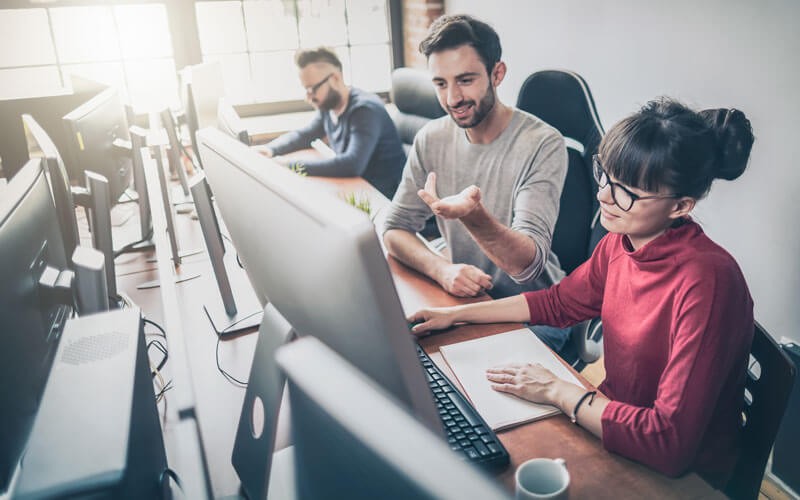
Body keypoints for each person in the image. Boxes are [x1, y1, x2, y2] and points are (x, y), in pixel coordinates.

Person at [408, 98, 755, 488]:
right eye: (605, 176)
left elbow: (668, 442)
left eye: (627, 192)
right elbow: (558, 303)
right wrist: (455, 315)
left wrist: (557, 391)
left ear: (681, 206)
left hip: (682, 473)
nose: (604, 196)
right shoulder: (620, 243)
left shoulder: (708, 282)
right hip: (611, 421)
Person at [382, 14, 568, 347]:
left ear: (497, 74)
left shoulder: (542, 143)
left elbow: (526, 267)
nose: (452, 98)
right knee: (403, 361)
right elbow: (394, 228)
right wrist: (442, 270)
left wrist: (472, 215)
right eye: (440, 83)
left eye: (465, 80)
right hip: (465, 303)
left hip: (532, 312)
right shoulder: (431, 138)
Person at [259, 47, 406, 199]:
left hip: (385, 199)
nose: (308, 97)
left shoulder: (365, 110)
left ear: (335, 79)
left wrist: (289, 167)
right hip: (358, 189)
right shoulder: (329, 106)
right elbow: (305, 135)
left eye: (312, 88)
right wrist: (270, 149)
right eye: (306, 89)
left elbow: (351, 165)